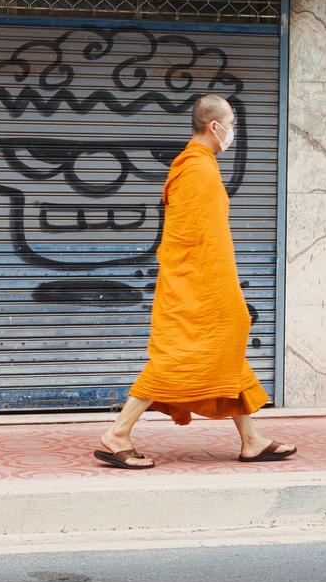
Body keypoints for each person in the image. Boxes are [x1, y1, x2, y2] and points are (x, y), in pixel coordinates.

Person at [95, 94, 296, 469]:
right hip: (198, 285)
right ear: (214, 126)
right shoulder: (198, 169)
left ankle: (251, 439)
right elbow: (196, 240)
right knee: (177, 360)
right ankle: (118, 433)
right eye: (231, 122)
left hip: (200, 280)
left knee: (228, 350)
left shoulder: (196, 165)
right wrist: (221, 288)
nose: (233, 130)